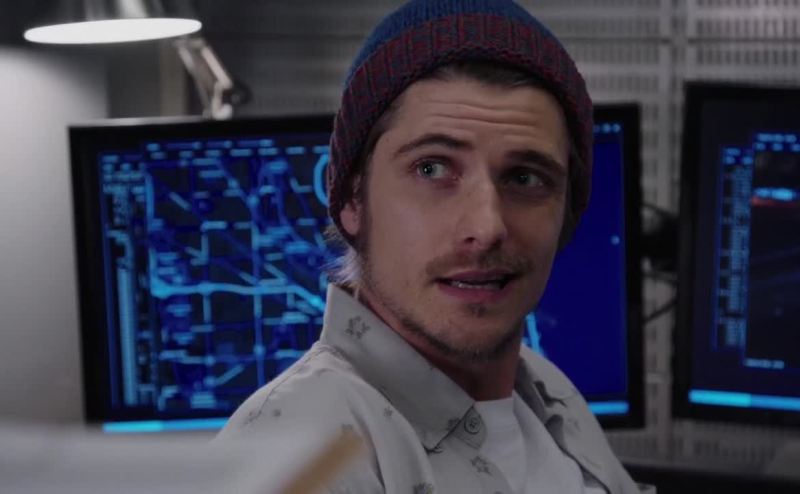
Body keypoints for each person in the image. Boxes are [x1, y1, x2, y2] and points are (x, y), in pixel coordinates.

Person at [217, 1, 641, 493]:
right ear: (351, 198)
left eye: (525, 177)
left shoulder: (546, 391)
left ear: (568, 211)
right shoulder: (294, 457)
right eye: (432, 168)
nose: (487, 226)